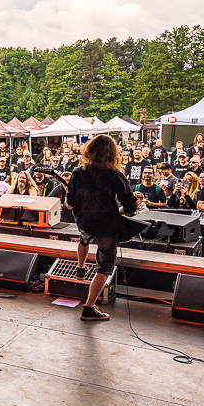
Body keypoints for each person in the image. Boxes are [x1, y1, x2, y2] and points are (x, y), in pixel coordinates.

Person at [67, 134, 137, 322]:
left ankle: (80, 268)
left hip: (84, 222)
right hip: (108, 225)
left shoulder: (77, 173)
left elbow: (70, 204)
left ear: (89, 150)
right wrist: (118, 210)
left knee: (84, 238)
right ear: (112, 153)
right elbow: (130, 205)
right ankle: (88, 307)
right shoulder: (115, 175)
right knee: (103, 267)